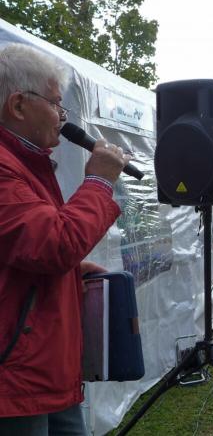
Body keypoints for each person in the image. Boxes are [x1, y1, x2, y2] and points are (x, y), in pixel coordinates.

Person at [0, 44, 129, 434]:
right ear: (18, 105)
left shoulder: (26, 164)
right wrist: (99, 181)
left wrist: (71, 271)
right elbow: (54, 245)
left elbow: (24, 249)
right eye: (56, 104)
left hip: (41, 367)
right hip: (15, 376)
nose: (62, 116)